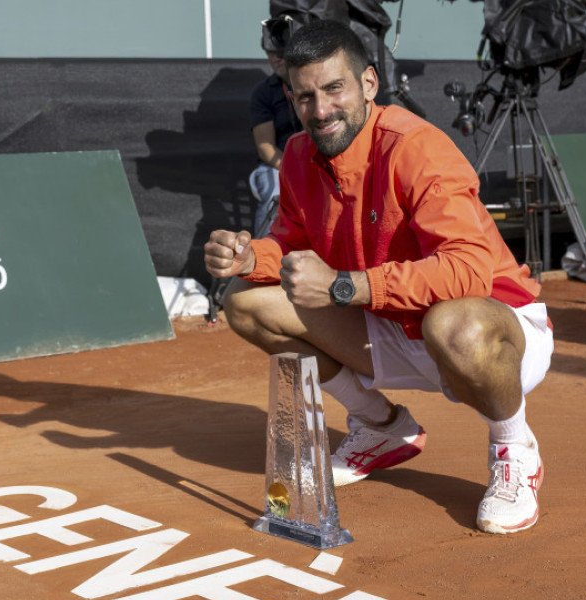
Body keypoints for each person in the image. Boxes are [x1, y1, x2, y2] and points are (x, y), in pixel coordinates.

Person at [204, 20, 553, 535]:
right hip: (392, 326)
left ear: (368, 84)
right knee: (246, 302)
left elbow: (469, 272)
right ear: (290, 97)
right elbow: (292, 243)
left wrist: (346, 286)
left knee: (452, 323)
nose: (320, 110)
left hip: (494, 330)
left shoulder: (417, 147)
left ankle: (513, 445)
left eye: (333, 89)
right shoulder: (299, 156)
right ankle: (383, 427)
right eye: (305, 97)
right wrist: (248, 257)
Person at [248, 17, 302, 236]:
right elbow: (265, 148)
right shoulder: (264, 92)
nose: (277, 58)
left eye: (282, 53)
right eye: (271, 54)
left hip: (316, 163)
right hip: (277, 166)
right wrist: (295, 170)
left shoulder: (313, 83)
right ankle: (260, 261)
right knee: (274, 193)